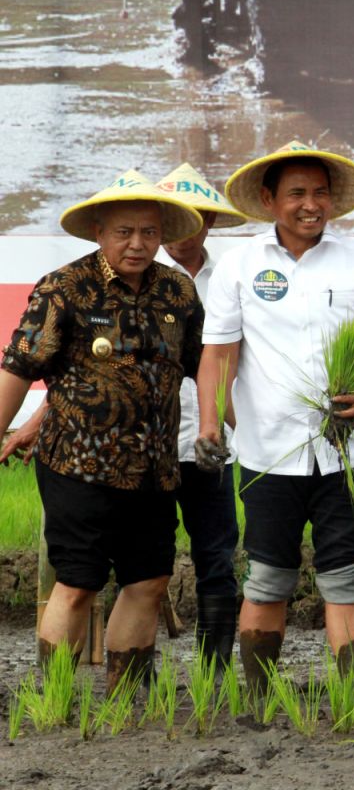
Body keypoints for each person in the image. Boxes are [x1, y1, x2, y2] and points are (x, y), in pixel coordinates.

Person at [196, 141, 354, 690]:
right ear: (268, 200)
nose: (311, 204)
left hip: (346, 454)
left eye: (320, 193)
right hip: (267, 453)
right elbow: (217, 354)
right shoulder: (241, 266)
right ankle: (260, 699)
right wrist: (211, 424)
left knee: (347, 576)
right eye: (297, 194)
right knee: (266, 578)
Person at [0, 170, 204, 693]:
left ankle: (126, 698)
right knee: (76, 583)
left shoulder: (178, 291)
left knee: (149, 580)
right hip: (77, 465)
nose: (137, 244)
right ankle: (55, 698)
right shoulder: (64, 287)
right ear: (98, 231)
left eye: (149, 233)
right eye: (124, 232)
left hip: (154, 470)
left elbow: (202, 364)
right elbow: (20, 368)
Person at [154, 163, 248, 667]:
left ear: (209, 224)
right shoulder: (141, 279)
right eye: (172, 223)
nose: (180, 235)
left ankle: (215, 668)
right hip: (147, 450)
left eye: (193, 222)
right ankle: (135, 667)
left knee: (216, 556)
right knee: (147, 561)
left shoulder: (233, 278)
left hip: (212, 445)